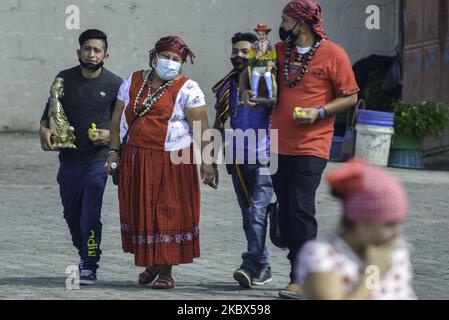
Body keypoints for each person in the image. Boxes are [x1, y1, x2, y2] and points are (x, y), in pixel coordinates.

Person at [241, 0, 360, 299]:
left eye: (284, 20)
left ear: (301, 23)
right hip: (279, 143)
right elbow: (248, 73)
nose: (280, 26)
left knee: (301, 207)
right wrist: (247, 92)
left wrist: (318, 112)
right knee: (286, 207)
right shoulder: (278, 52)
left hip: (313, 144)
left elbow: (350, 97)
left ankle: (301, 277)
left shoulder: (334, 54)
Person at [107, 36, 217, 290]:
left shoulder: (189, 88)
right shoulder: (132, 81)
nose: (170, 62)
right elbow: (116, 119)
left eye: (176, 59)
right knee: (142, 211)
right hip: (136, 157)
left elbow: (201, 126)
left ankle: (166, 270)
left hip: (172, 159)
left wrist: (207, 161)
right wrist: (114, 151)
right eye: (165, 56)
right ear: (154, 57)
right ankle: (153, 263)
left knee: (166, 213)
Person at [39, 29, 123, 285]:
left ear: (105, 55)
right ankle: (85, 250)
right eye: (87, 49)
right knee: (71, 214)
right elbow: (49, 112)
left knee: (90, 213)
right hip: (69, 160)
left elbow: (124, 124)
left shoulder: (115, 84)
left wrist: (110, 136)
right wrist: (43, 129)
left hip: (98, 161)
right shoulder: (63, 79)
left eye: (97, 50)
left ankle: (89, 263)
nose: (91, 54)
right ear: (79, 52)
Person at [296, 158, 417, 300]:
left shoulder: (395, 253)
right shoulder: (323, 255)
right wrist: (373, 271)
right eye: (389, 224)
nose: (398, 233)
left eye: (400, 223)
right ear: (360, 222)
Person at [212, 32, 274, 289]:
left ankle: (250, 264)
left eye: (245, 52)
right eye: (235, 51)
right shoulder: (228, 87)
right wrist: (210, 161)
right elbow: (218, 124)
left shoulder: (268, 84)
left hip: (266, 160)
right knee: (249, 216)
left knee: (257, 212)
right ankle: (263, 265)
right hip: (237, 161)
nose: (239, 56)